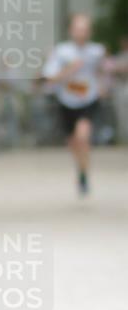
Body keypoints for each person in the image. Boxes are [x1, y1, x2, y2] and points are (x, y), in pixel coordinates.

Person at [42, 13, 109, 195]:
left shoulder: (97, 51)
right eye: (79, 28)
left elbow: (102, 71)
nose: (82, 32)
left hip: (88, 100)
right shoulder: (61, 52)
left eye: (85, 29)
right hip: (67, 101)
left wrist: (102, 86)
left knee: (83, 136)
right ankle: (81, 170)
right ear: (71, 31)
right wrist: (70, 70)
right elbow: (49, 79)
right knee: (73, 143)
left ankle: (84, 174)